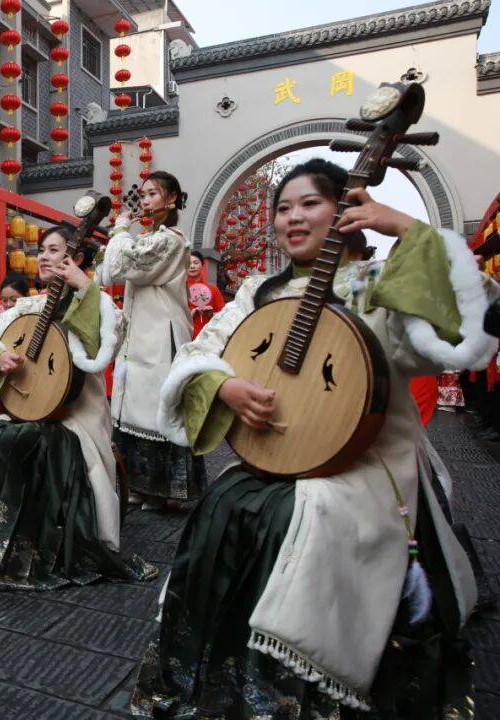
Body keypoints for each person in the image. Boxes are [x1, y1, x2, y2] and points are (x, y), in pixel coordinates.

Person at [129, 159, 497, 718]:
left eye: (310, 204)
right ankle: (231, 679)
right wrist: (223, 385)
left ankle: (312, 687)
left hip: (367, 461)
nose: (293, 218)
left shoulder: (376, 283)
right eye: (283, 208)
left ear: (344, 212)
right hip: (280, 451)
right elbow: (196, 355)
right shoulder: (259, 292)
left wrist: (405, 227)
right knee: (225, 502)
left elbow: (471, 319)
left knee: (306, 515)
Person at [0, 226, 157, 590]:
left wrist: (85, 288)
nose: (44, 257)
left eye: (53, 249)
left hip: (76, 417)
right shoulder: (28, 307)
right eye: (41, 250)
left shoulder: (97, 302)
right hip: (28, 408)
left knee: (23, 441)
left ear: (75, 257)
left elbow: (110, 339)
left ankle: (43, 543)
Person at [97, 171, 204, 511]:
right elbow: (109, 271)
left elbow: (121, 267)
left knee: (157, 406)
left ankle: (162, 490)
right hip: (142, 330)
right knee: (135, 406)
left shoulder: (172, 239)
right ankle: (141, 486)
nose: (144, 200)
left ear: (171, 199)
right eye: (142, 195)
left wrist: (119, 230)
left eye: (153, 193)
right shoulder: (149, 237)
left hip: (161, 333)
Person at [186, 249, 225, 338]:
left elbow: (223, 315)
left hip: (208, 336)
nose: (192, 266)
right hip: (185, 335)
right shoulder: (180, 290)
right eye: (188, 263)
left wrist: (211, 313)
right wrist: (191, 313)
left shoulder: (213, 289)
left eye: (196, 263)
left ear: (202, 265)